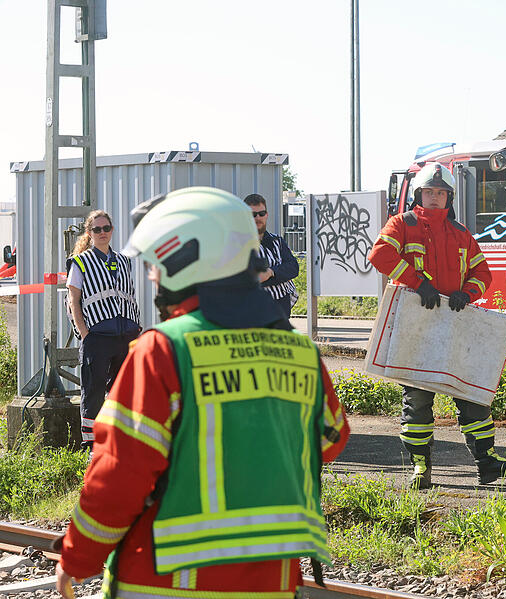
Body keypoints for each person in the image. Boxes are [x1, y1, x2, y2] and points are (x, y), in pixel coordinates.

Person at [55, 187, 350, 599]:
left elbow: (119, 475)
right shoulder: (300, 353)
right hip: (272, 582)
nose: (153, 275)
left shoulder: (163, 350)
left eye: (157, 263)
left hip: (166, 582)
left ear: (185, 261)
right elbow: (330, 439)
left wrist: (78, 557)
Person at [368, 162, 506, 489]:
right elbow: (380, 255)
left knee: (471, 395)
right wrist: (416, 282)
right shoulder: (402, 224)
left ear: (449, 196)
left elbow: (483, 275)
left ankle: (487, 465)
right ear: (419, 194)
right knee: (419, 401)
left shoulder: (460, 233)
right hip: (418, 324)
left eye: (441, 192)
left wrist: (466, 294)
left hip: (454, 325)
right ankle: (421, 469)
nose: (435, 197)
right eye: (430, 191)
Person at [66, 210, 141, 449]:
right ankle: (91, 445)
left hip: (126, 335)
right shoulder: (81, 262)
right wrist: (85, 335)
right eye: (96, 229)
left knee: (123, 390)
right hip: (97, 337)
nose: (102, 233)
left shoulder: (124, 260)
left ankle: (119, 440)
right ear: (89, 233)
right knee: (94, 391)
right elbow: (72, 301)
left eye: (106, 228)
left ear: (112, 230)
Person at [244, 193, 300, 319]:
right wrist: (280, 275)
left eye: (261, 214)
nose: (258, 218)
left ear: (267, 215)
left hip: (281, 304)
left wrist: (270, 272)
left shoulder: (277, 241)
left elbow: (293, 268)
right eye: (253, 215)